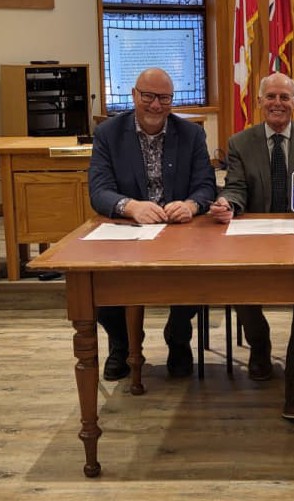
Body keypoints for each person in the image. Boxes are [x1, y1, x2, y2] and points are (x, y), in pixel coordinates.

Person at [209, 73, 294, 421]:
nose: (278, 103)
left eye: (285, 97)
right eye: (271, 96)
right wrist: (226, 204)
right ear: (259, 102)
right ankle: (258, 342)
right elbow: (235, 188)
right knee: (235, 278)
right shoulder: (240, 142)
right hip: (255, 231)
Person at [89, 68, 216, 381]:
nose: (156, 105)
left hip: (179, 230)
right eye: (148, 96)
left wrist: (190, 205)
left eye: (164, 98)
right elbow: (99, 189)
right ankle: (123, 344)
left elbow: (207, 186)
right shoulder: (108, 133)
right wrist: (130, 207)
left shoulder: (191, 134)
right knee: (100, 282)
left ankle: (178, 337)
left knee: (199, 275)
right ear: (134, 95)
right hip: (128, 228)